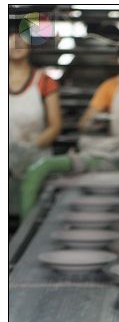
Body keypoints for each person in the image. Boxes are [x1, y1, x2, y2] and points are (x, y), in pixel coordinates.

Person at [9, 29, 62, 226]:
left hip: (37, 165)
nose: (15, 43)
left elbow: (55, 126)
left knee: (32, 222)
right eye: (9, 39)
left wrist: (29, 148)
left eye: (20, 39)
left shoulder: (45, 82)